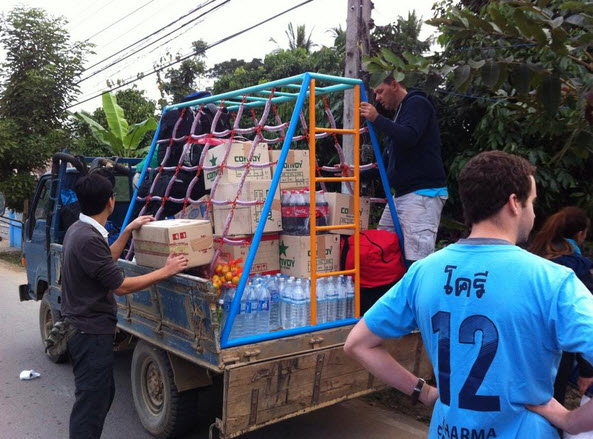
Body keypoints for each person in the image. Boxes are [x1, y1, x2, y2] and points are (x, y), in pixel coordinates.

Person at [344, 150, 593, 437]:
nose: (534, 213)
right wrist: (572, 421)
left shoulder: (424, 272)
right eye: (532, 203)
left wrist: (423, 393)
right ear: (514, 203)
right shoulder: (552, 281)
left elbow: (357, 343)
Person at [61, 172, 188, 439]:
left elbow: (105, 260)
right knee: (90, 406)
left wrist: (128, 230)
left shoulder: (80, 230)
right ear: (110, 201)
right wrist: (166, 271)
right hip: (89, 333)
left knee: (102, 394)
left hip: (87, 330)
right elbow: (121, 285)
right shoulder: (87, 239)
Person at [360, 75, 447, 263]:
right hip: (401, 196)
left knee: (416, 260)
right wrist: (355, 173)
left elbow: (409, 136)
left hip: (422, 194)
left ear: (394, 85)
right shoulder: (399, 115)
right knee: (382, 248)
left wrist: (377, 119)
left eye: (380, 91)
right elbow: (383, 167)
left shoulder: (417, 103)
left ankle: (417, 293)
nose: (378, 98)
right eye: (375, 94)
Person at [530, 207, 593, 411]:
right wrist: (587, 370)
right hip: (557, 352)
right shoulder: (577, 268)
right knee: (550, 406)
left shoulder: (533, 258)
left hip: (523, 342)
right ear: (580, 233)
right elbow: (583, 321)